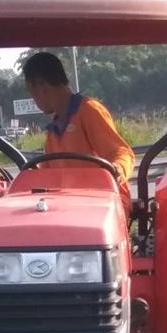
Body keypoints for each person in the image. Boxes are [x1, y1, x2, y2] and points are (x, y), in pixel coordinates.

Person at [23, 52, 135, 215]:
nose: (34, 100)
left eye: (31, 93)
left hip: (104, 200)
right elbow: (44, 175)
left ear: (41, 86)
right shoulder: (53, 132)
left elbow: (121, 152)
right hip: (70, 205)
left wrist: (117, 168)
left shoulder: (89, 110)